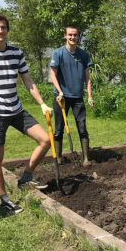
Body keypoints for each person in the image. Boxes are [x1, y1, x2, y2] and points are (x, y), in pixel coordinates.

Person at [0, 13, 54, 214]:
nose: (0, 31)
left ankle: (26, 178)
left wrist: (42, 103)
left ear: (7, 30)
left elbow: (28, 80)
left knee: (45, 140)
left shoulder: (16, 53)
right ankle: (5, 201)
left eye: (3, 27)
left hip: (16, 110)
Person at [50, 24, 93, 166]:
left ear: (78, 36)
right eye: (70, 35)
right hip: (61, 97)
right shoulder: (58, 53)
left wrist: (90, 96)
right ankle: (59, 158)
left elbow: (87, 77)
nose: (72, 37)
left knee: (82, 128)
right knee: (59, 129)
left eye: (75, 35)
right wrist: (60, 91)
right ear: (65, 36)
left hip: (77, 97)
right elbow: (53, 74)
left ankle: (86, 159)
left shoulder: (83, 55)